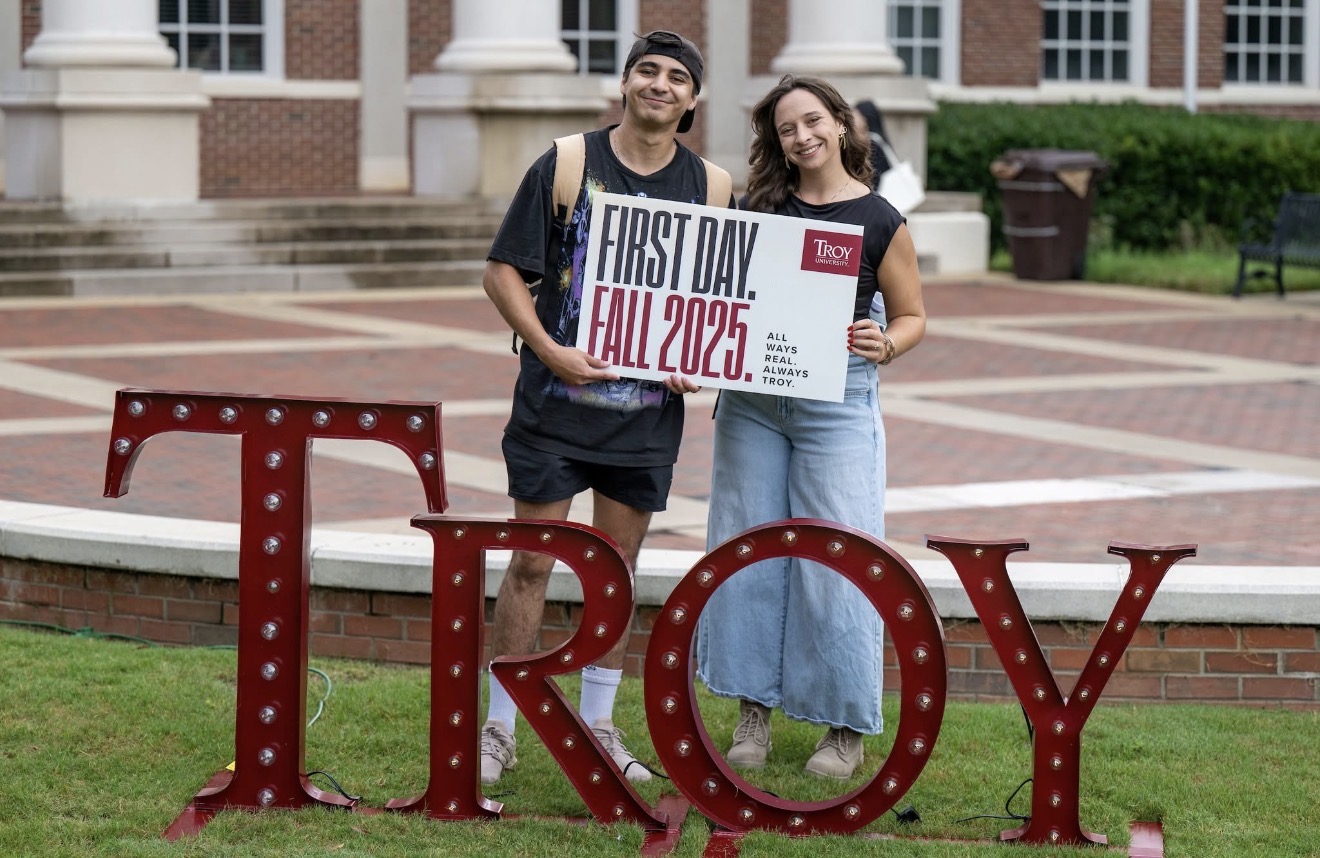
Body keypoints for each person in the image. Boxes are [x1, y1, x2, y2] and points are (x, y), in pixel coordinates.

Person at [479, 30, 732, 786]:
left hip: (645, 419)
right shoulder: (567, 162)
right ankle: (500, 726)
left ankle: (596, 723)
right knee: (530, 564)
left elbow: (716, 302)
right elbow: (501, 275)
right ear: (624, 83)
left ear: (694, 99)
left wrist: (697, 359)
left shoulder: (714, 187)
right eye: (646, 71)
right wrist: (552, 351)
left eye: (677, 77)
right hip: (554, 407)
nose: (660, 85)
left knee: (614, 574)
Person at [694, 74, 926, 780]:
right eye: (788, 128)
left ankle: (844, 727)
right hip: (753, 404)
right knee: (746, 553)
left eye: (814, 120)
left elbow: (913, 316)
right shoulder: (755, 208)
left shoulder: (881, 218)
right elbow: (717, 297)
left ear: (841, 125)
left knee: (842, 561)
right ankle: (751, 712)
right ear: (777, 142)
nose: (803, 136)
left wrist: (886, 343)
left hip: (837, 405)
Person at [853, 99, 893, 191]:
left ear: (865, 117)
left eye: (855, 115)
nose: (852, 120)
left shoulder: (872, 143)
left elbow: (875, 178)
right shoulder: (877, 139)